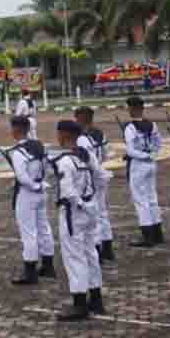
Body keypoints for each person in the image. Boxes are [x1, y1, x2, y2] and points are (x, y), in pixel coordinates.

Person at [50, 120, 104, 320]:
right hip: (90, 208)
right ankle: (96, 299)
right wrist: (92, 200)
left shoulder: (65, 160)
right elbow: (100, 176)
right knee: (91, 253)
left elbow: (67, 190)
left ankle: (80, 303)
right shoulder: (86, 155)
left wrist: (80, 203)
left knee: (74, 257)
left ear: (64, 135)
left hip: (74, 211)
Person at [5, 115, 54, 285]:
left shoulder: (18, 152)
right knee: (43, 227)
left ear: (17, 130)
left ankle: (30, 272)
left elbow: (22, 177)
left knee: (28, 233)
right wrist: (40, 184)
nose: (10, 131)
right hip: (41, 191)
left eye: (11, 128)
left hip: (27, 193)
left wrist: (33, 185)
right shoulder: (39, 145)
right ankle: (48, 266)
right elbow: (48, 167)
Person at [73, 106, 115, 263]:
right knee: (103, 212)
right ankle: (108, 248)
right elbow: (105, 154)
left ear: (80, 119)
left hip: (91, 177)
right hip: (101, 173)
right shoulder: (100, 134)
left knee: (93, 214)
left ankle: (97, 249)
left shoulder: (81, 138)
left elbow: (84, 160)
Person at [121, 96, 164, 247]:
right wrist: (151, 154)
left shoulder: (130, 127)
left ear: (132, 108)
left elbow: (130, 150)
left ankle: (148, 236)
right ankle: (158, 233)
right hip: (151, 163)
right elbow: (159, 143)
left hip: (138, 164)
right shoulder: (152, 124)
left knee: (141, 200)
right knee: (152, 197)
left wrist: (142, 155)